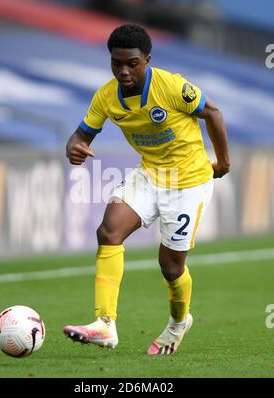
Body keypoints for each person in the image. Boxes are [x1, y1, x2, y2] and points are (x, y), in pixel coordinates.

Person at [63, 24, 230, 355]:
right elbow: (81, 135)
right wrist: (74, 147)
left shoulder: (171, 87)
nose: (123, 71)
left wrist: (223, 162)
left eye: (132, 64)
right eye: (116, 64)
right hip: (151, 174)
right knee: (108, 231)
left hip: (189, 182)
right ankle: (105, 324)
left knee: (170, 268)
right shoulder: (106, 97)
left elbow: (212, 112)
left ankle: (178, 323)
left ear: (147, 60)